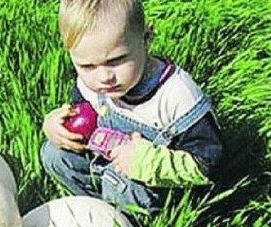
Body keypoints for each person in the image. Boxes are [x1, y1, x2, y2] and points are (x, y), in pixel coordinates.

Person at [41, 0, 223, 212]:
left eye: (117, 60)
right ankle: (95, 211)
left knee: (121, 183)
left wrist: (146, 163)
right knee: (54, 154)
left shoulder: (176, 96)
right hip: (108, 162)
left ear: (146, 40)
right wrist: (59, 126)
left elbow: (208, 165)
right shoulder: (92, 84)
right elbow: (79, 112)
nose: (104, 77)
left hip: (154, 185)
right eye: (87, 66)